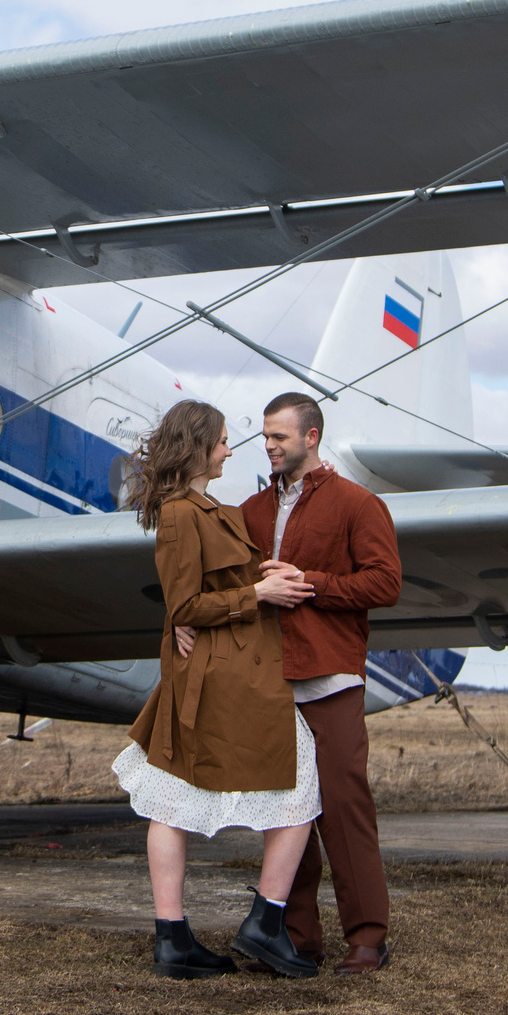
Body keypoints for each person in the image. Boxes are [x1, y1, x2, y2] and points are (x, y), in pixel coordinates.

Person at [111, 399, 323, 979]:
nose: (233, 450)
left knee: (176, 797)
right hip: (222, 672)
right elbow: (183, 604)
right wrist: (258, 596)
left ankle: (179, 938)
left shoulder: (208, 508)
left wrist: (267, 575)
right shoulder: (181, 513)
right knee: (287, 785)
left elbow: (212, 585)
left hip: (226, 667)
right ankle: (256, 922)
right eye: (225, 441)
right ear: (200, 446)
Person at [240, 391, 401, 972]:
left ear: (311, 437)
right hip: (270, 683)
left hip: (331, 680)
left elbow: (385, 584)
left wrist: (310, 583)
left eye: (279, 436)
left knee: (343, 808)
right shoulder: (252, 511)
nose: (269, 445)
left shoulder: (359, 504)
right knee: (286, 814)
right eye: (265, 436)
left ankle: (367, 938)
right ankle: (296, 939)